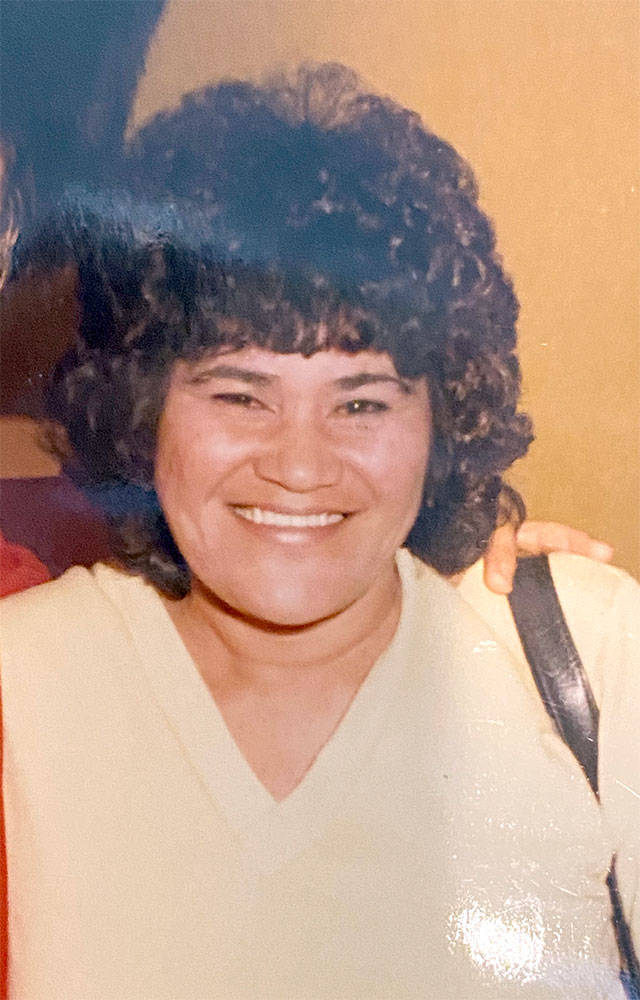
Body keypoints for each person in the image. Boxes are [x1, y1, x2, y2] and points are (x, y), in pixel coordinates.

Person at [1, 64, 637, 998]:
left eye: (363, 402)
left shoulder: (586, 650)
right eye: (239, 395)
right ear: (142, 409)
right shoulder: (21, 676)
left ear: (441, 422)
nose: (301, 466)